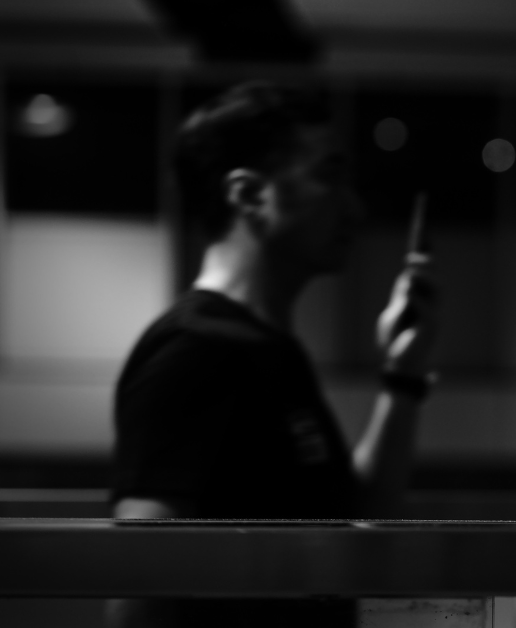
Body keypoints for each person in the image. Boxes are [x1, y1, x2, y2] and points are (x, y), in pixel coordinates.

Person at [106, 82, 435, 627]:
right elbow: (138, 598)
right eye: (329, 176)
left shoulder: (269, 350)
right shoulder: (195, 350)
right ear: (249, 196)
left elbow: (357, 520)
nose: (354, 207)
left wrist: (405, 373)